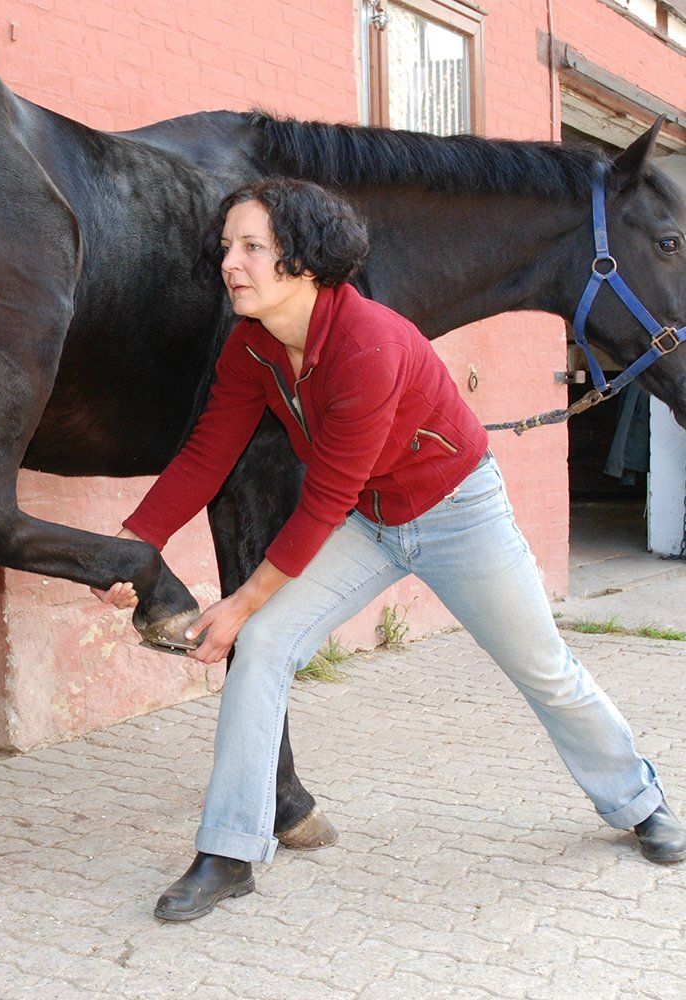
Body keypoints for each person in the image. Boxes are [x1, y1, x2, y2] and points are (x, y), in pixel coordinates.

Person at [92, 178, 685, 921]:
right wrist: (134, 541)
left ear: (304, 262)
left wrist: (241, 601)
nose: (229, 264)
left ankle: (639, 801)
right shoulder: (255, 344)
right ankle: (230, 851)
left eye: (251, 248)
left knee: (543, 668)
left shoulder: (369, 341)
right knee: (266, 646)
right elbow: (210, 450)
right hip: (370, 523)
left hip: (457, 513)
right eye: (226, 248)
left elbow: (324, 496)